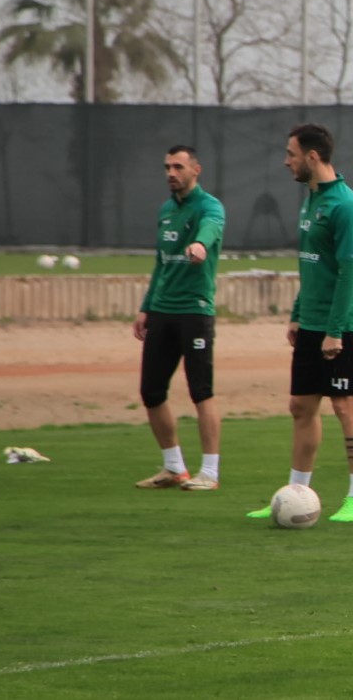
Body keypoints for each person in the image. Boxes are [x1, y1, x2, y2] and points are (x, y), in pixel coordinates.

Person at [247, 123, 353, 524]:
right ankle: (294, 492)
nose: (286, 161)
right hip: (313, 323)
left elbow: (349, 273)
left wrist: (334, 331)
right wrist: (299, 315)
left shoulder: (346, 206)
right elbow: (312, 266)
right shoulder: (310, 200)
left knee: (345, 405)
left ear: (312, 157)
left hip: (344, 325)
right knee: (301, 406)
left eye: (291, 154)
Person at [133, 145, 226, 491]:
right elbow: (161, 263)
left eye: (178, 167)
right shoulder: (165, 211)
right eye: (167, 167)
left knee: (201, 392)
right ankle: (174, 468)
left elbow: (211, 229)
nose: (171, 173)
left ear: (195, 170)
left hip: (194, 311)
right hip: (162, 311)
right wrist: (146, 306)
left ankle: (211, 473)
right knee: (151, 392)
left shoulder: (209, 206)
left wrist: (200, 245)